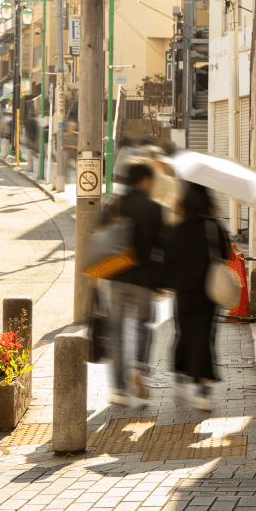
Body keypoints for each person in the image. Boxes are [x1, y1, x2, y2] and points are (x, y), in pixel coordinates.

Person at [103, 161, 168, 406]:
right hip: (144, 280)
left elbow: (101, 239)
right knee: (144, 326)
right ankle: (138, 369)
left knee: (116, 333)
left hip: (115, 278)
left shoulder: (113, 204)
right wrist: (162, 282)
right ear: (145, 181)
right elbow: (162, 248)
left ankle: (119, 390)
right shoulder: (154, 208)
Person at [166, 181, 230, 410]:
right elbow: (227, 254)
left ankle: (180, 379)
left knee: (183, 334)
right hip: (209, 294)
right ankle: (203, 390)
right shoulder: (215, 227)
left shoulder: (179, 228)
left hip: (183, 293)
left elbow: (169, 259)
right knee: (204, 338)